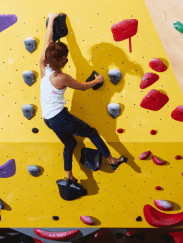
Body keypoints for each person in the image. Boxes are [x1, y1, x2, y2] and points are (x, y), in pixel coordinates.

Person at [40, 12, 127, 183]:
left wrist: (51, 19)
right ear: (64, 61)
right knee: (92, 132)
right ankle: (112, 161)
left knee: (70, 144)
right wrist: (97, 80)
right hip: (60, 117)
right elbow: (82, 87)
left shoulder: (43, 64)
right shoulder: (61, 78)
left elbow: (48, 39)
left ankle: (69, 176)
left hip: (48, 118)